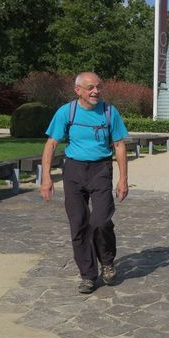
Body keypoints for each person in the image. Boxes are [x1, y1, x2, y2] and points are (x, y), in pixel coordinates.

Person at [40, 72, 129, 294]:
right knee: (79, 224)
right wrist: (46, 177)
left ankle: (107, 262)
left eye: (98, 87)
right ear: (77, 90)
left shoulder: (109, 112)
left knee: (100, 221)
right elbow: (51, 144)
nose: (95, 91)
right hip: (73, 170)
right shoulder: (66, 112)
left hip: (100, 170)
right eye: (90, 87)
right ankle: (88, 275)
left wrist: (123, 179)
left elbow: (119, 145)